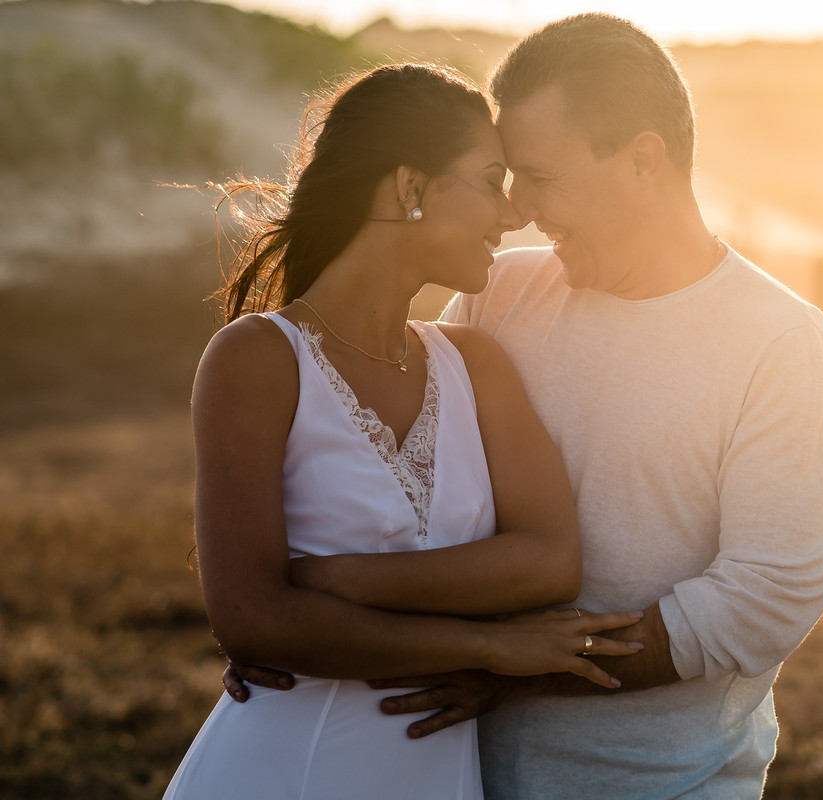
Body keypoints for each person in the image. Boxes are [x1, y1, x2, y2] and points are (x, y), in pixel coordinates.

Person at [228, 14, 823, 798]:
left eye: (540, 177)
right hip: (456, 773)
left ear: (643, 161)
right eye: (506, 178)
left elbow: (765, 597)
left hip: (663, 783)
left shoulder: (779, 342)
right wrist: (299, 627)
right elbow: (406, 499)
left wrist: (523, 669)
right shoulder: (500, 295)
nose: (518, 209)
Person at [164, 63, 643, 800]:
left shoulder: (474, 363)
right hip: (285, 770)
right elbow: (253, 619)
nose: (512, 215)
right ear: (410, 187)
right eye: (491, 180)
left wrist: (340, 583)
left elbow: (551, 561)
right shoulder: (258, 359)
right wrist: (489, 645)